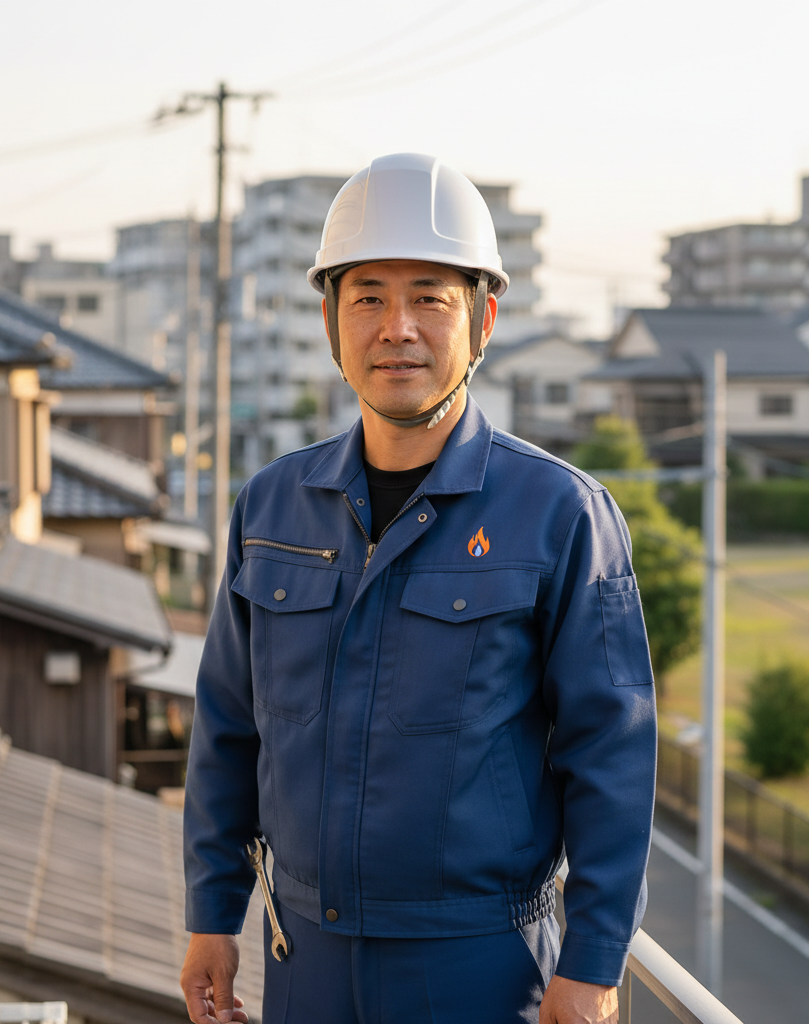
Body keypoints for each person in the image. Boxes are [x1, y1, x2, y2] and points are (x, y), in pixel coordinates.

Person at [181, 153, 657, 1024]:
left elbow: (611, 755)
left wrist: (592, 965)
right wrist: (212, 913)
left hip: (480, 964)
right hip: (303, 957)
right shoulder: (272, 505)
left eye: (430, 297)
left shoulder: (561, 514)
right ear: (331, 322)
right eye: (367, 297)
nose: (396, 326)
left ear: (482, 321)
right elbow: (228, 725)